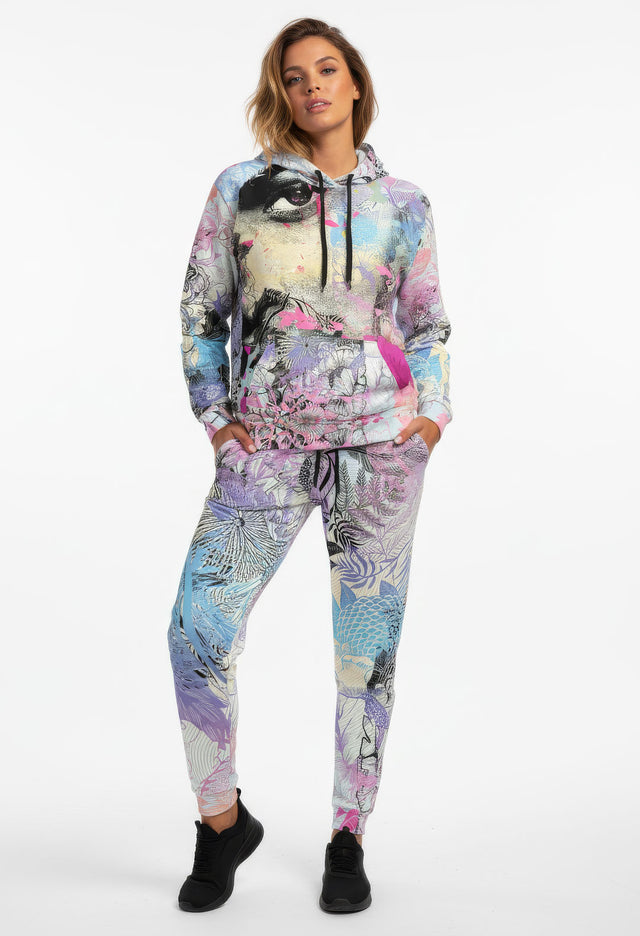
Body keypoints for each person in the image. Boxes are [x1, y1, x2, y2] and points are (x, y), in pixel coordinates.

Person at [167, 16, 453, 915]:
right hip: (269, 448)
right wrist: (218, 421)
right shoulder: (242, 190)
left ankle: (347, 837)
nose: (313, 87)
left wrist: (429, 419)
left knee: (366, 657)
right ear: (281, 93)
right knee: (198, 630)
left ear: (355, 82)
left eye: (327, 70)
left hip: (381, 449)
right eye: (295, 77)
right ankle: (222, 823)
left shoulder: (404, 203)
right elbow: (201, 313)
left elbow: (428, 324)